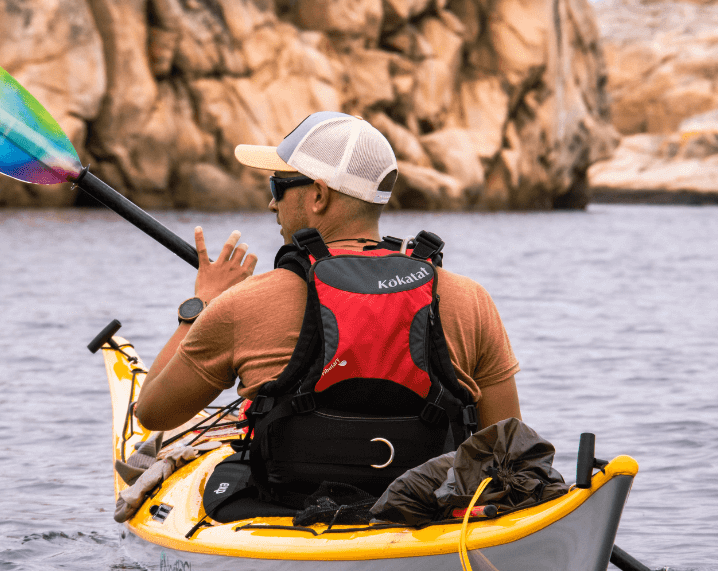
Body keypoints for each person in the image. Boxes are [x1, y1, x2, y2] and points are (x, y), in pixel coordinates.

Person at [136, 113, 522, 478]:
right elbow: (508, 451)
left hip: (288, 515)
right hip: (428, 514)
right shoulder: (469, 299)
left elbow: (153, 412)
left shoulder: (244, 304)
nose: (272, 202)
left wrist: (203, 305)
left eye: (278, 186)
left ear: (318, 195)